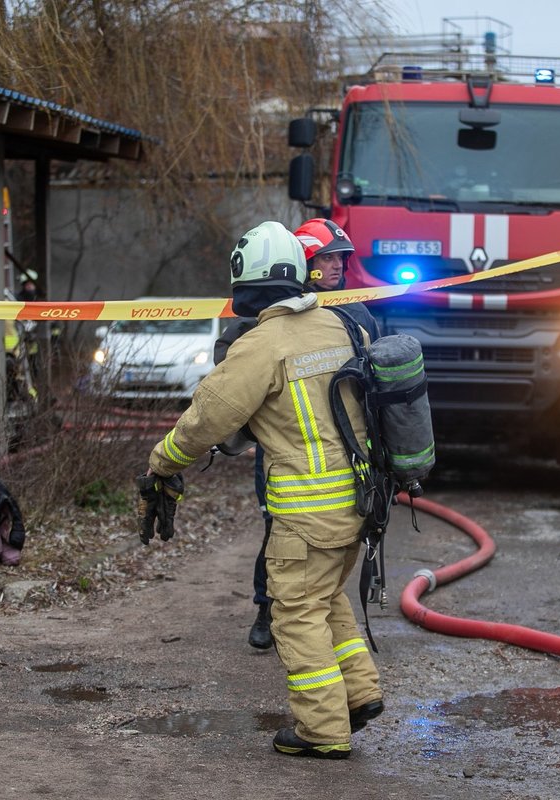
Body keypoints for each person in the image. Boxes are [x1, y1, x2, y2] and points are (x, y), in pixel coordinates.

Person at [144, 220, 384, 759]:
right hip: (360, 503)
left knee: (295, 611)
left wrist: (161, 463)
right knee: (324, 598)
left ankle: (323, 730)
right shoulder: (341, 326)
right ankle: (361, 694)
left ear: (245, 285)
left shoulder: (260, 346)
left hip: (307, 514)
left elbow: (205, 421)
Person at [215, 218, 379, 650]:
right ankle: (268, 608)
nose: (337, 266)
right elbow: (230, 376)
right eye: (326, 258)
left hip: (344, 450)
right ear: (303, 262)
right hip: (283, 449)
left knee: (338, 538)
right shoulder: (261, 319)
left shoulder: (355, 311)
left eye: (341, 258)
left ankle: (317, 618)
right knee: (279, 529)